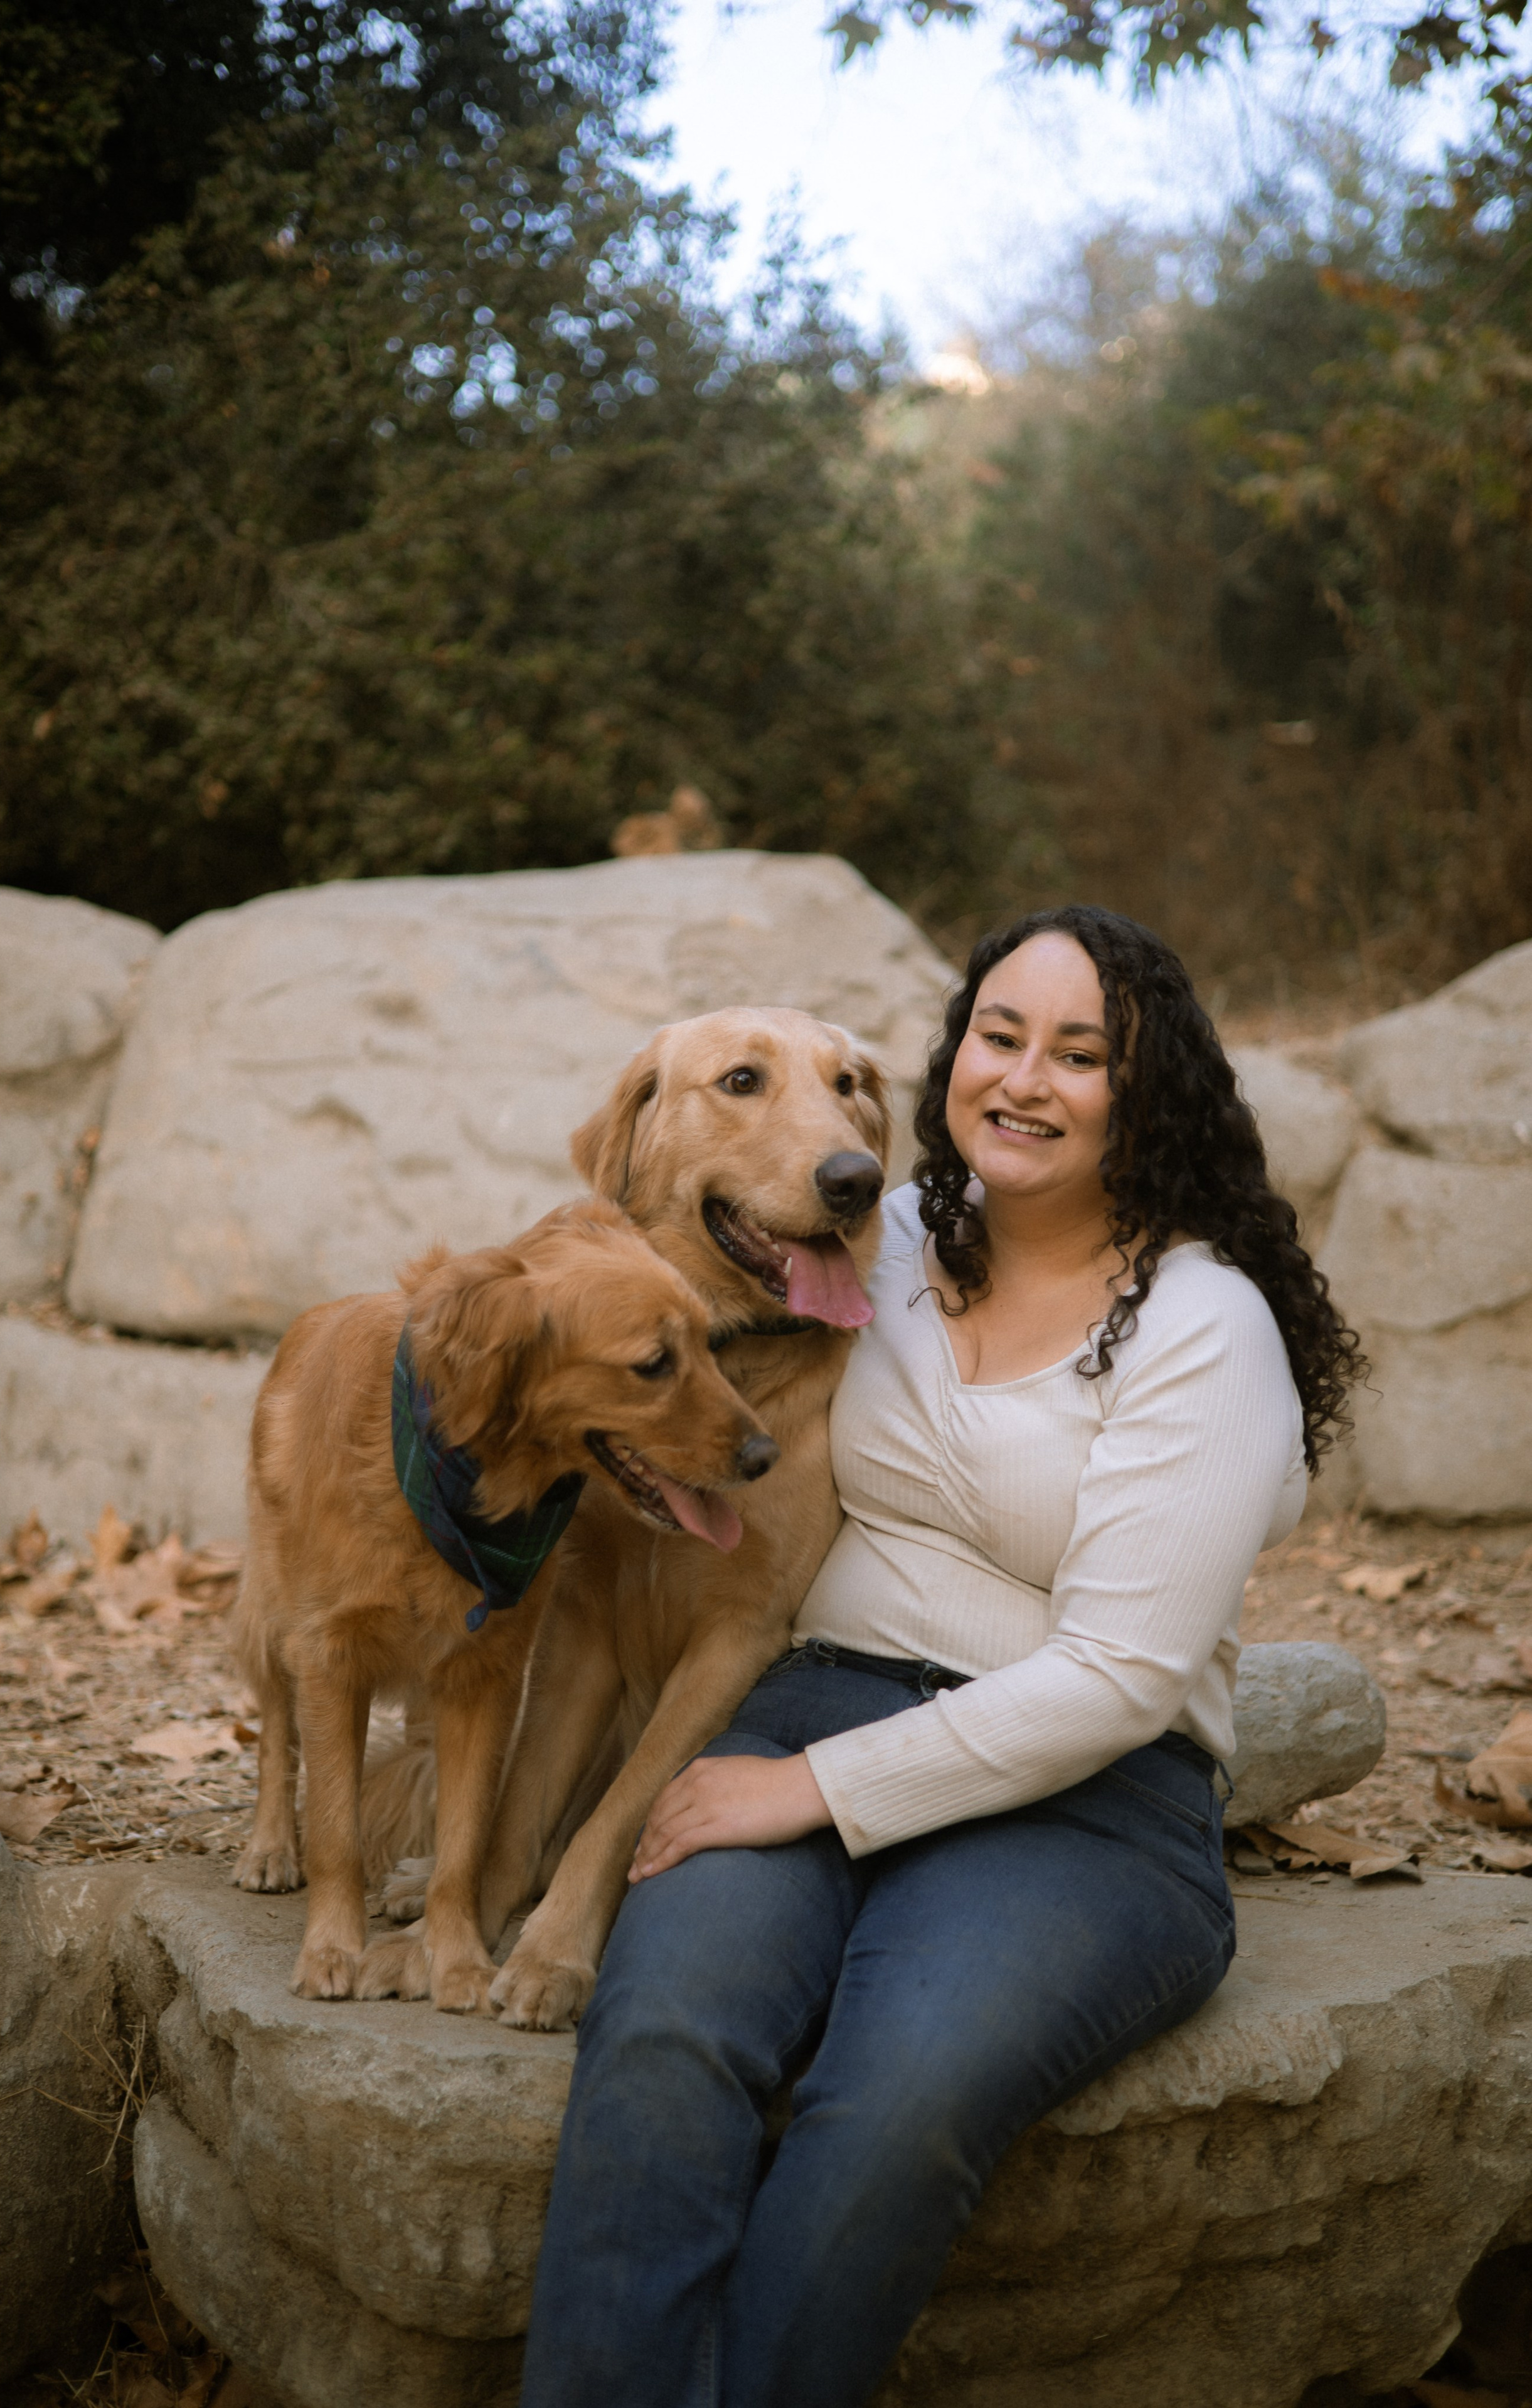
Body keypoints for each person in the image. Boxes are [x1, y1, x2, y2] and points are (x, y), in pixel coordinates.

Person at [517, 904, 1363, 2408]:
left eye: (1080, 1052)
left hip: (1090, 1798)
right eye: (997, 1034)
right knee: (658, 2031)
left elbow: (1113, 1679)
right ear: (949, 1056)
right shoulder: (867, 1238)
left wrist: (805, 1790)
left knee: (889, 2107)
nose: (1024, 1078)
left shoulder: (1200, 1326)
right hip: (815, 1697)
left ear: (1146, 1090)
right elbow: (618, 1286)